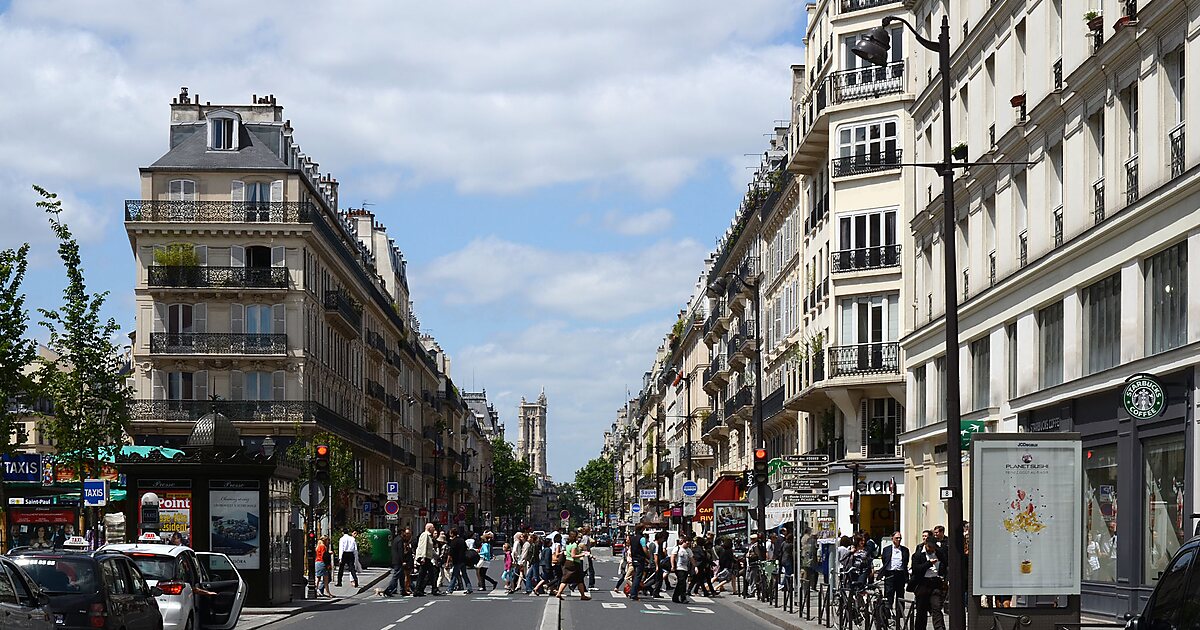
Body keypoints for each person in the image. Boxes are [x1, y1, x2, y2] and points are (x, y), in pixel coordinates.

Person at [911, 537, 947, 630]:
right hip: (923, 584)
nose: (931, 550)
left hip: (935, 583)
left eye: (933, 548)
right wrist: (928, 563)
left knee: (936, 607)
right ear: (926, 544)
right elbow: (916, 569)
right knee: (921, 611)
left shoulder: (938, 553)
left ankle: (940, 628)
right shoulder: (918, 555)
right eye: (930, 547)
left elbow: (945, 563)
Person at [555, 533, 592, 600]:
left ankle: (559, 593)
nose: (579, 539)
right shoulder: (574, 545)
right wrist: (582, 555)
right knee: (579, 579)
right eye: (578, 537)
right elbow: (573, 555)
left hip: (567, 562)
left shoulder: (568, 544)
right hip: (574, 563)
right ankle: (582, 595)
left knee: (566, 579)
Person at [880, 532, 909, 609]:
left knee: (900, 593)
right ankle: (887, 612)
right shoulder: (886, 549)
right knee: (889, 593)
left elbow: (906, 562)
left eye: (900, 538)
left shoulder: (905, 550)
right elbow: (884, 560)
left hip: (900, 573)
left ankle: (900, 613)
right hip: (890, 573)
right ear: (892, 538)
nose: (898, 540)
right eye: (897, 538)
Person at [413, 523, 441, 596]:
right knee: (424, 574)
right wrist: (423, 557)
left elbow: (430, 549)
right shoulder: (425, 535)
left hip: (427, 557)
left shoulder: (428, 536)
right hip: (425, 558)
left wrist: (436, 556)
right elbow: (423, 546)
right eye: (433, 528)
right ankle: (418, 590)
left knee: (428, 574)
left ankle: (423, 589)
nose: (434, 529)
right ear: (429, 528)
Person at [379, 529, 408, 597]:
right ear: (401, 532)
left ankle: (402, 590)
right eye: (404, 532)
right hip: (398, 561)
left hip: (395, 560)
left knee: (401, 576)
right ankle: (389, 590)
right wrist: (403, 561)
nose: (405, 534)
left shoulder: (395, 539)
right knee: (396, 575)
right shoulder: (400, 540)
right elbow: (400, 552)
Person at [447, 529, 473, 594]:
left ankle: (450, 589)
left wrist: (448, 562)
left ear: (452, 534)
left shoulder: (453, 542)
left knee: (454, 575)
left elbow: (450, 553)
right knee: (464, 574)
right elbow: (466, 548)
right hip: (463, 560)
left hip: (457, 560)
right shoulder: (462, 540)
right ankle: (469, 588)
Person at [671, 537, 695, 603]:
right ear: (683, 542)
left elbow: (691, 558)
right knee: (682, 583)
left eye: (689, 544)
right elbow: (672, 557)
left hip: (685, 569)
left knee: (680, 583)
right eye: (687, 543)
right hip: (678, 568)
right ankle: (683, 598)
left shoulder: (688, 550)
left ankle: (675, 597)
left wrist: (695, 567)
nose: (688, 545)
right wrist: (673, 566)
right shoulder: (677, 548)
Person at [627, 526, 648, 601]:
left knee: (634, 576)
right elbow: (644, 549)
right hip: (640, 559)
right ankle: (633, 594)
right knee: (638, 577)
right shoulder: (642, 539)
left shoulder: (632, 538)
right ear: (642, 530)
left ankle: (632, 592)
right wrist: (648, 555)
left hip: (634, 558)